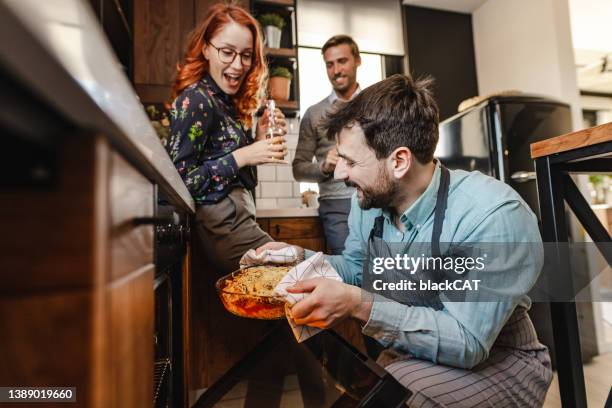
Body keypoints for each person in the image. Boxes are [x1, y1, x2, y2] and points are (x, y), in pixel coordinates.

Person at [259, 74, 552, 406]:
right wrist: (299, 258)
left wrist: (360, 304)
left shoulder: (492, 216)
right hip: (416, 355)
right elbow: (357, 268)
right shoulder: (368, 202)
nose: (339, 173)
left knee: (394, 398)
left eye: (351, 161)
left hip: (501, 361)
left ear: (399, 161)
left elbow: (468, 342)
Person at [167, 3, 288, 274]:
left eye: (246, 55)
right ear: (206, 48)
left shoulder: (227, 104)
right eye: (227, 52)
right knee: (300, 278)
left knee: (296, 288)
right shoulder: (196, 99)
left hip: (241, 220)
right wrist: (244, 154)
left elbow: (245, 180)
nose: (238, 65)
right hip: (224, 228)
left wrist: (256, 140)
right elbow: (179, 183)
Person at [292, 35, 362, 254]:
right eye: (329, 64)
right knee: (349, 269)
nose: (336, 70)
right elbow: (298, 169)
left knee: (383, 269)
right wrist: (324, 167)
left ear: (357, 60)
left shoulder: (375, 105)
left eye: (342, 61)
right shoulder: (314, 114)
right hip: (336, 207)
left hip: (376, 201)